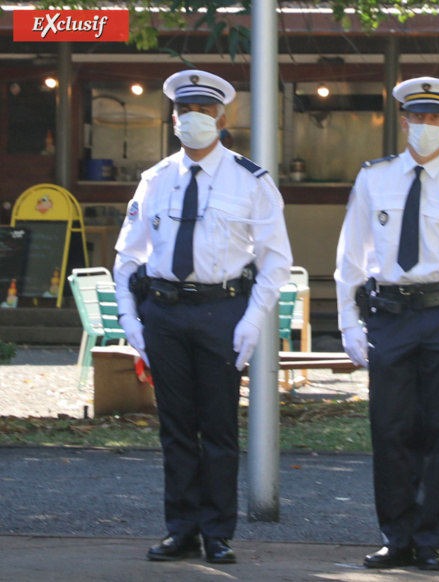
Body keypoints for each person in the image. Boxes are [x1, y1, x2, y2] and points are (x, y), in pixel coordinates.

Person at [113, 69, 293, 564]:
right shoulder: (156, 179)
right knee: (175, 426)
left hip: (222, 311)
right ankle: (181, 530)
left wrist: (253, 319)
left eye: (203, 111)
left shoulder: (250, 180)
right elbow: (129, 256)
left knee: (217, 427)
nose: (193, 119)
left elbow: (276, 259)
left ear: (223, 117)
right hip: (165, 313)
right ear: (174, 118)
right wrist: (131, 318)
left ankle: (218, 532)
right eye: (184, 111)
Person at [334, 76, 439, 571]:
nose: (427, 126)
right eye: (419, 117)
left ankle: (430, 538)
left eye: (438, 118)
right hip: (389, 316)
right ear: (404, 121)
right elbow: (350, 255)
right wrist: (348, 321)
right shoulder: (374, 178)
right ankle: (396, 536)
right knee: (390, 430)